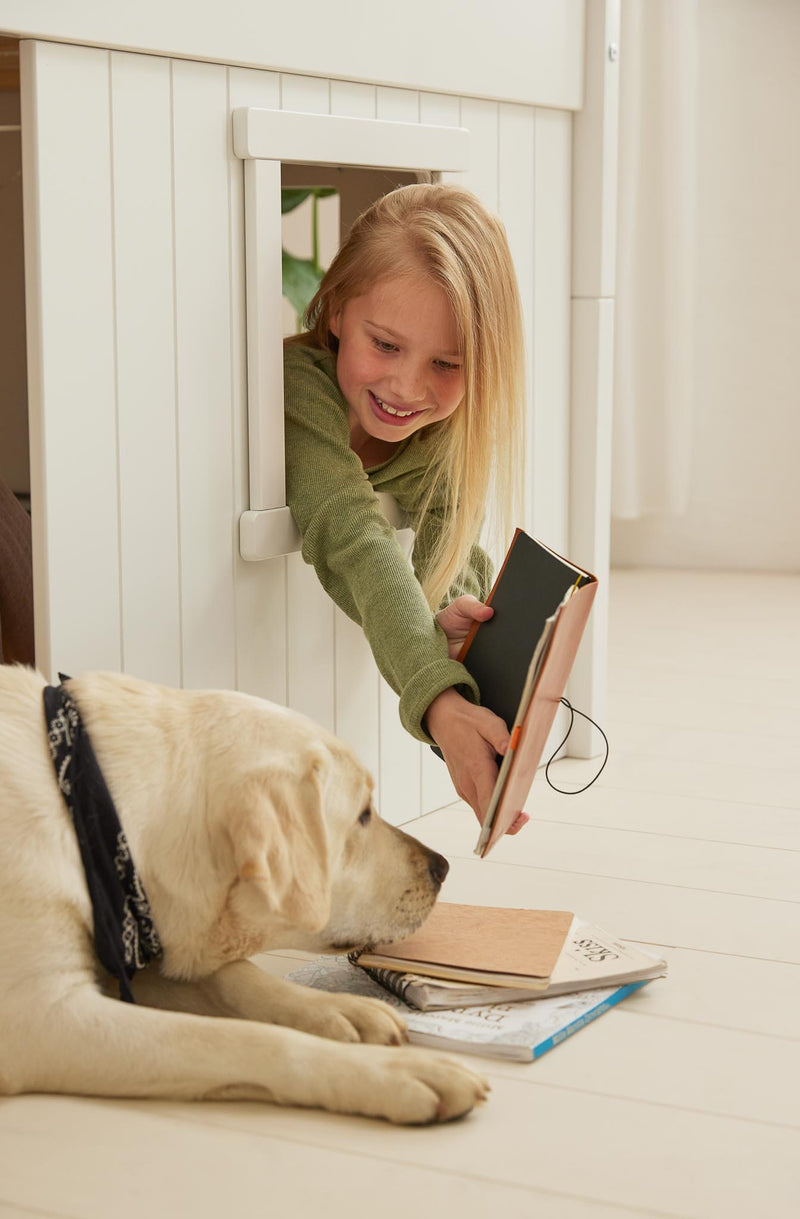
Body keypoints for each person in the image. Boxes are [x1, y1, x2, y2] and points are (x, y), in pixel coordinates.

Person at [283, 183, 528, 835]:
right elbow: (352, 535)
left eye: (446, 362)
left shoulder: (448, 435)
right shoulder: (299, 389)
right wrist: (440, 701)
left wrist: (451, 630)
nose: (406, 386)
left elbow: (453, 554)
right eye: (386, 344)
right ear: (335, 310)